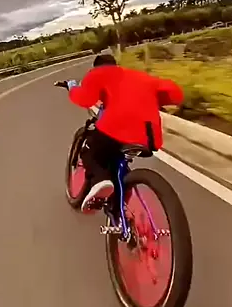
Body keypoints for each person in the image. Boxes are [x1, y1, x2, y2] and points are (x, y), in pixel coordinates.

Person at [66, 53, 184, 214]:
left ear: (97, 67)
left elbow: (85, 99)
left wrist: (72, 87)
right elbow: (175, 94)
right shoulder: (139, 76)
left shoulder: (99, 73)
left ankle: (100, 182)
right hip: (149, 136)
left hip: (116, 129)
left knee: (91, 149)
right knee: (114, 155)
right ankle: (119, 205)